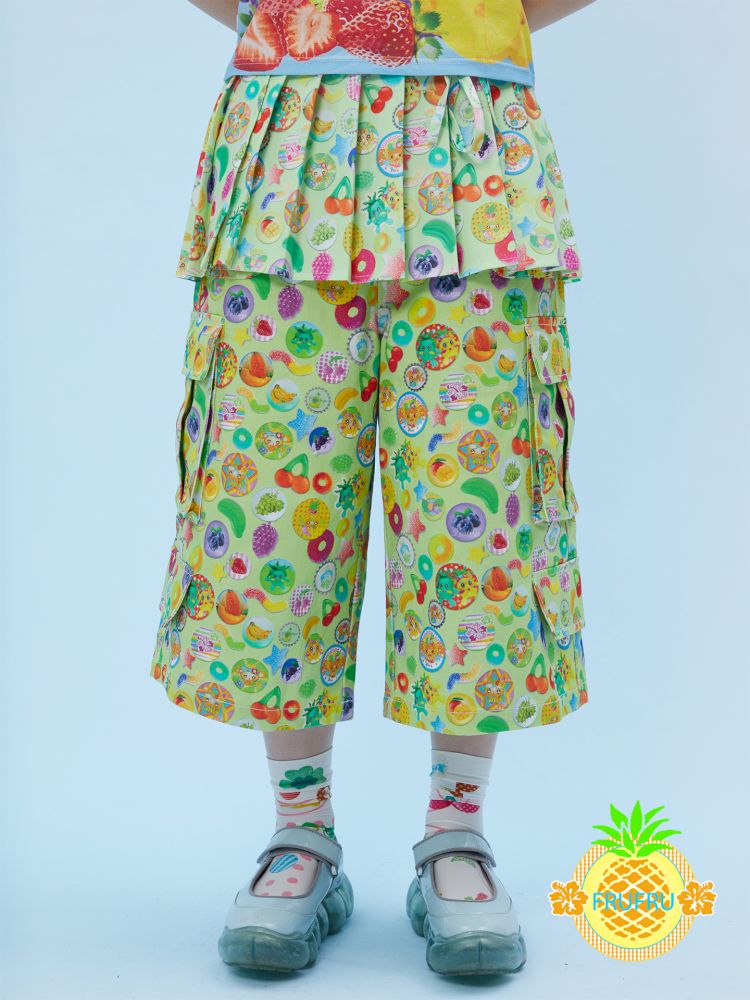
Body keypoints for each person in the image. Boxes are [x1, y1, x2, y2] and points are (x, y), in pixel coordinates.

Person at [150, 0, 597, 977]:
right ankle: (300, 829)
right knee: (274, 501)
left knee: (476, 503)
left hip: (472, 145)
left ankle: (456, 832)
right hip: (290, 150)